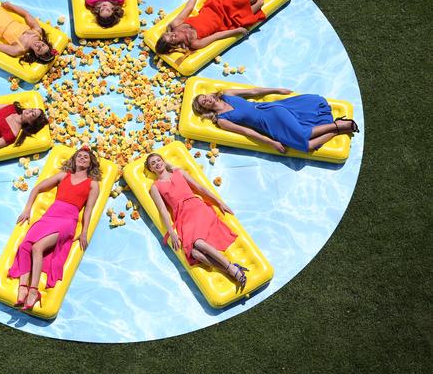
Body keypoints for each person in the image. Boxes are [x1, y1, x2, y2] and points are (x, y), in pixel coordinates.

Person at [8, 146, 101, 311]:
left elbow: (88, 210)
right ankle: (22, 287)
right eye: (79, 156)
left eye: (86, 157)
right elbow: (37, 188)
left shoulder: (93, 185)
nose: (82, 158)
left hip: (67, 221)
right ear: (74, 159)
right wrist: (27, 209)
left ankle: (33, 291)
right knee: (24, 246)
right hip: (50, 216)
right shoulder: (62, 176)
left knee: (37, 247)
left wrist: (84, 231)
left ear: (90, 164)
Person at [146, 153, 248, 290]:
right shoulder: (155, 187)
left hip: (197, 208)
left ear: (164, 161)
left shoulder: (179, 172)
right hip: (182, 217)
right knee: (194, 254)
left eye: (159, 160)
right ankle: (231, 269)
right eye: (153, 163)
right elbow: (163, 211)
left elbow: (200, 188)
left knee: (198, 243)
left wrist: (219, 202)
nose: (157, 163)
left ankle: (232, 269)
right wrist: (172, 232)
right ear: (151, 169)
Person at [192, 87, 359, 153]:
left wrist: (276, 89)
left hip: (271, 111)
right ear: (205, 109)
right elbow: (247, 131)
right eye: (203, 102)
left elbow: (253, 91)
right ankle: (338, 128)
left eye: (204, 96)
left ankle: (338, 125)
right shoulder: (222, 120)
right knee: (308, 147)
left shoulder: (227, 94)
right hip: (268, 127)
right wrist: (270, 142)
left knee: (303, 135)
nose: (207, 99)